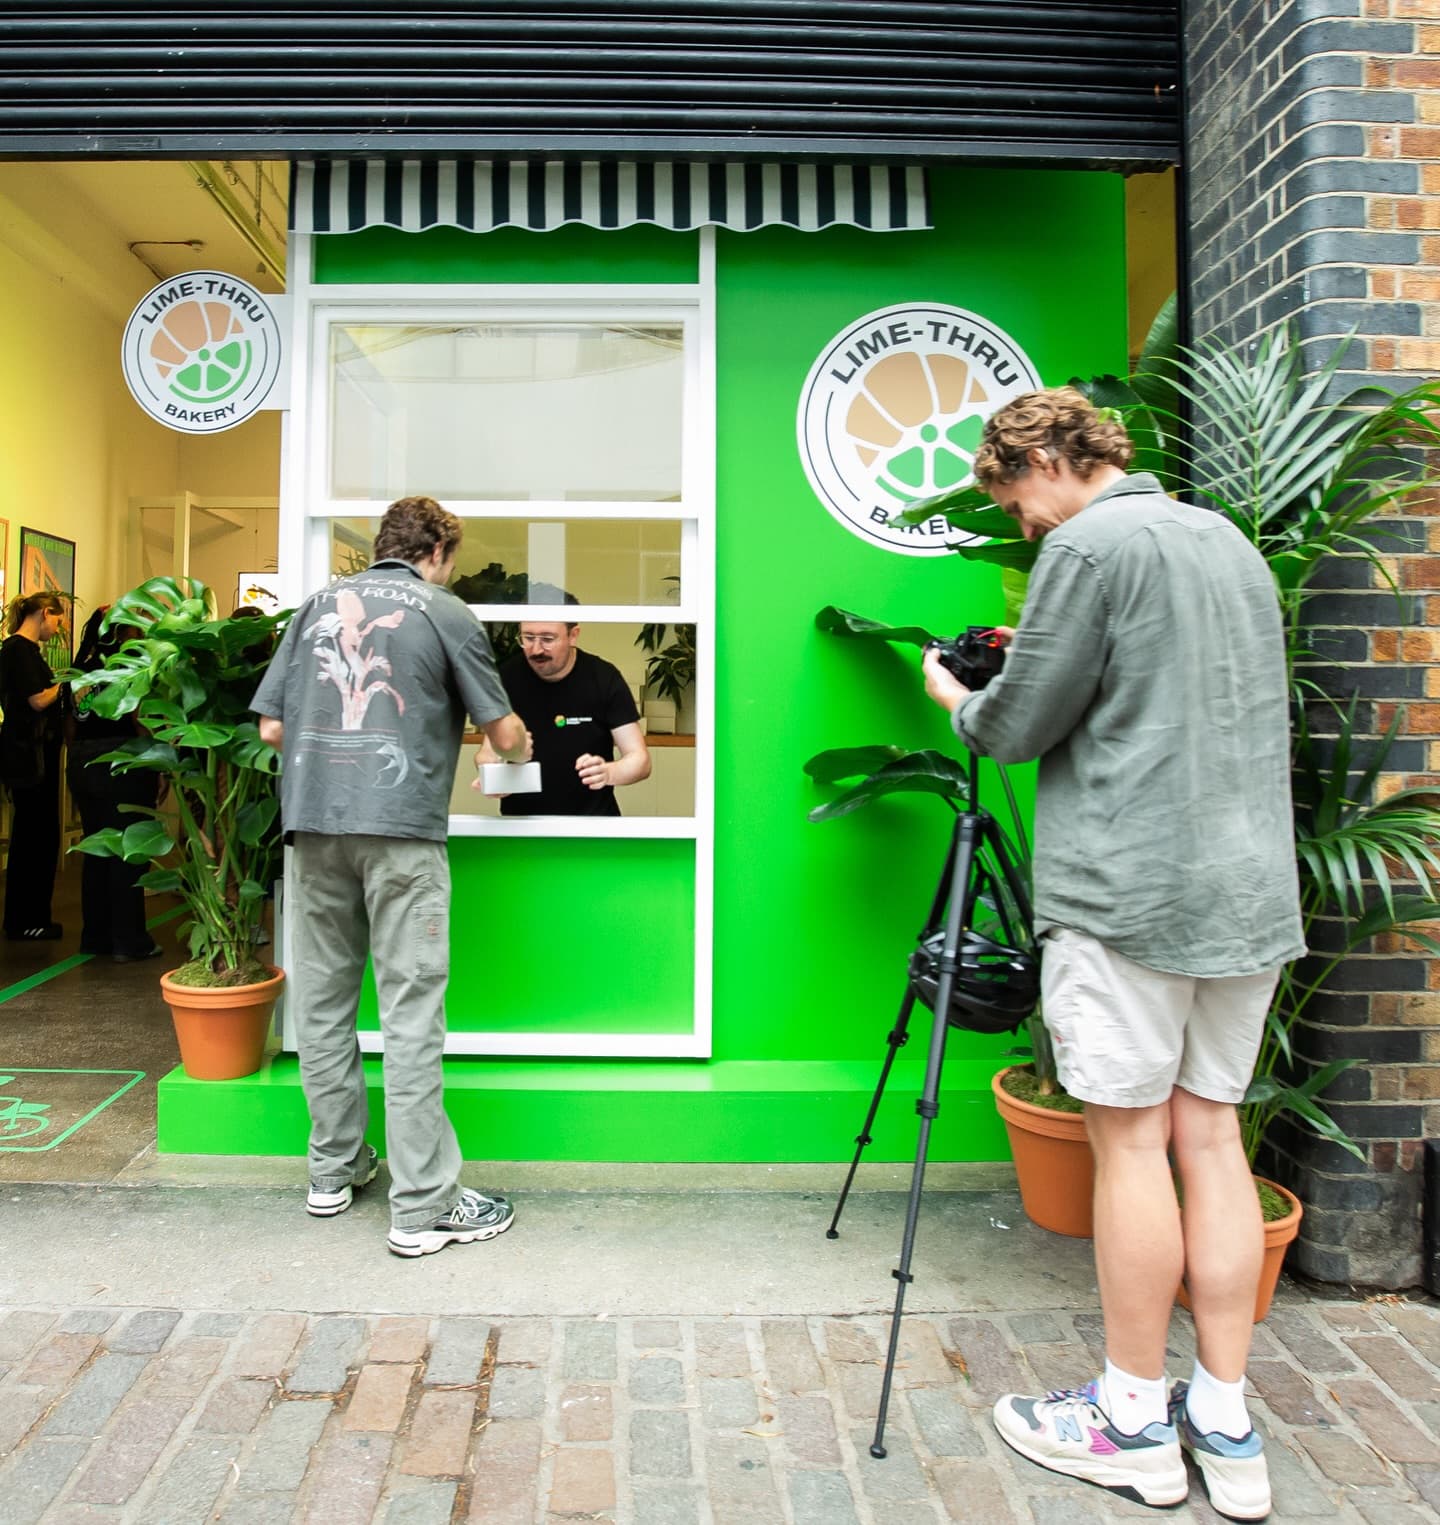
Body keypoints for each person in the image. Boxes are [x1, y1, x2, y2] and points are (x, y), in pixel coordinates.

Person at [921, 388, 1302, 1521]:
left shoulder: (1087, 547)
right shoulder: (1225, 540)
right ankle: (1224, 1425)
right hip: (1244, 893)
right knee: (1211, 1135)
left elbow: (1018, 726)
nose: (1028, 525)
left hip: (1132, 888)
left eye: (1019, 500)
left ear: (1041, 455)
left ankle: (1132, 1419)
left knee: (1131, 1144)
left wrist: (957, 696)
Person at [252, 495, 533, 1258]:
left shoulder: (315, 605)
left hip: (313, 829)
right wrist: (515, 743)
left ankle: (334, 1170)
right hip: (402, 833)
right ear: (438, 549)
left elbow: (273, 725)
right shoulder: (445, 612)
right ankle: (423, 1206)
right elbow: (503, 730)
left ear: (383, 545)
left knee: (321, 1002)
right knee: (410, 1013)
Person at [473, 620, 651, 815]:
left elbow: (640, 760)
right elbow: (488, 752)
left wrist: (609, 773)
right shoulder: (506, 677)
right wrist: (491, 775)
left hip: (593, 824)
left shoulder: (603, 678)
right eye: (528, 638)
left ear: (573, 635)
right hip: (520, 826)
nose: (536, 649)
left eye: (548, 639)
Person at [66, 606, 163, 961]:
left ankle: (95, 937)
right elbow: (138, 719)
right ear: (125, 632)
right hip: (123, 761)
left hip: (81, 761)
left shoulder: (84, 669)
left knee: (96, 850)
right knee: (129, 851)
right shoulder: (130, 667)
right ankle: (130, 940)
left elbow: (73, 723)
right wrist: (160, 762)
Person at [1, 591, 69, 941]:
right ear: (45, 613)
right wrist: (69, 682)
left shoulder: (24, 652)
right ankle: (24, 919)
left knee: (39, 837)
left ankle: (31, 916)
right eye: (57, 620)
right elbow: (38, 699)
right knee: (33, 839)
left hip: (34, 758)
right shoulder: (17, 651)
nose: (57, 629)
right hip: (28, 760)